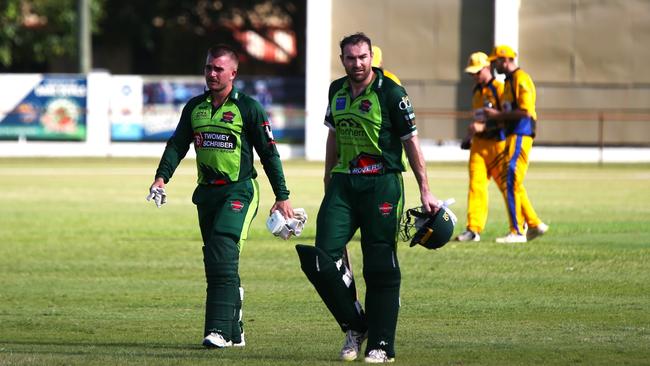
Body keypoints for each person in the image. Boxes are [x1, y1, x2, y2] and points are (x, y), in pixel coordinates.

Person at [296, 32, 440, 363]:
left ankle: (381, 344)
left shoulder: (391, 92)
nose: (357, 63)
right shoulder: (336, 90)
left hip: (382, 184)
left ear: (371, 57)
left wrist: (425, 188)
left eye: (363, 57)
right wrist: (327, 175)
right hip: (344, 185)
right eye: (350, 58)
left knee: (378, 263)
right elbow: (332, 135)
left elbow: (411, 141)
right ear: (342, 59)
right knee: (321, 258)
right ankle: (356, 325)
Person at [147, 44, 293, 348]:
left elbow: (269, 153)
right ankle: (235, 326)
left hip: (239, 190)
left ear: (233, 73)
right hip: (207, 194)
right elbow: (177, 145)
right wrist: (161, 178)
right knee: (216, 260)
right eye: (208, 68)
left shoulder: (248, 108)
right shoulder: (194, 107)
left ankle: (219, 332)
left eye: (218, 69)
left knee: (223, 250)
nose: (212, 74)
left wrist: (282, 196)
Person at [483, 45, 549, 243]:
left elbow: (526, 111)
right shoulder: (509, 81)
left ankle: (517, 231)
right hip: (512, 135)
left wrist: (498, 115)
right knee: (513, 181)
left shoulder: (521, 79)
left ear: (505, 60)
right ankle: (535, 224)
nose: (494, 65)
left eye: (495, 61)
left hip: (521, 134)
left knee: (510, 180)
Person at [455, 52, 506, 242]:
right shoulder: (477, 90)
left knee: (509, 187)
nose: (474, 76)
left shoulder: (500, 88)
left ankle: (522, 223)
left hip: (497, 144)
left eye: (477, 72)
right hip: (478, 145)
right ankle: (473, 229)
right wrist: (470, 135)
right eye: (472, 73)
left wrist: (485, 127)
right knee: (476, 186)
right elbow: (478, 119)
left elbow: (507, 119)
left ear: (487, 68)